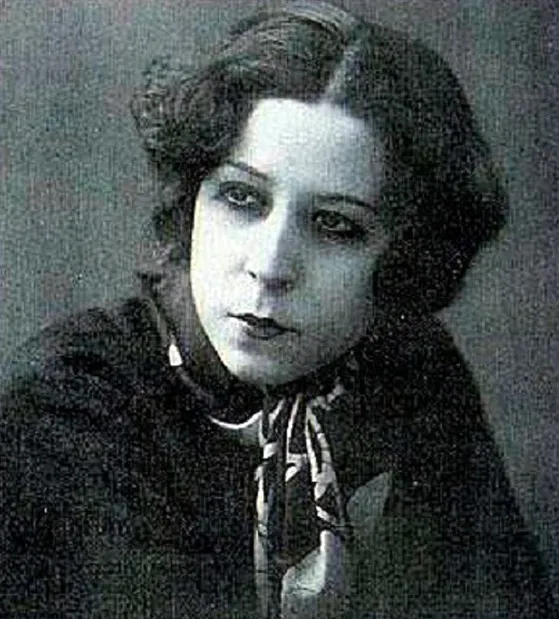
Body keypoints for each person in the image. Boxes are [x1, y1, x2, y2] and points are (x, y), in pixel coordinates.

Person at [1, 2, 555, 617]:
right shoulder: (68, 403)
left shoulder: (411, 372)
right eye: (241, 198)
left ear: (404, 256)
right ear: (192, 202)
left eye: (335, 225)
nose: (270, 265)